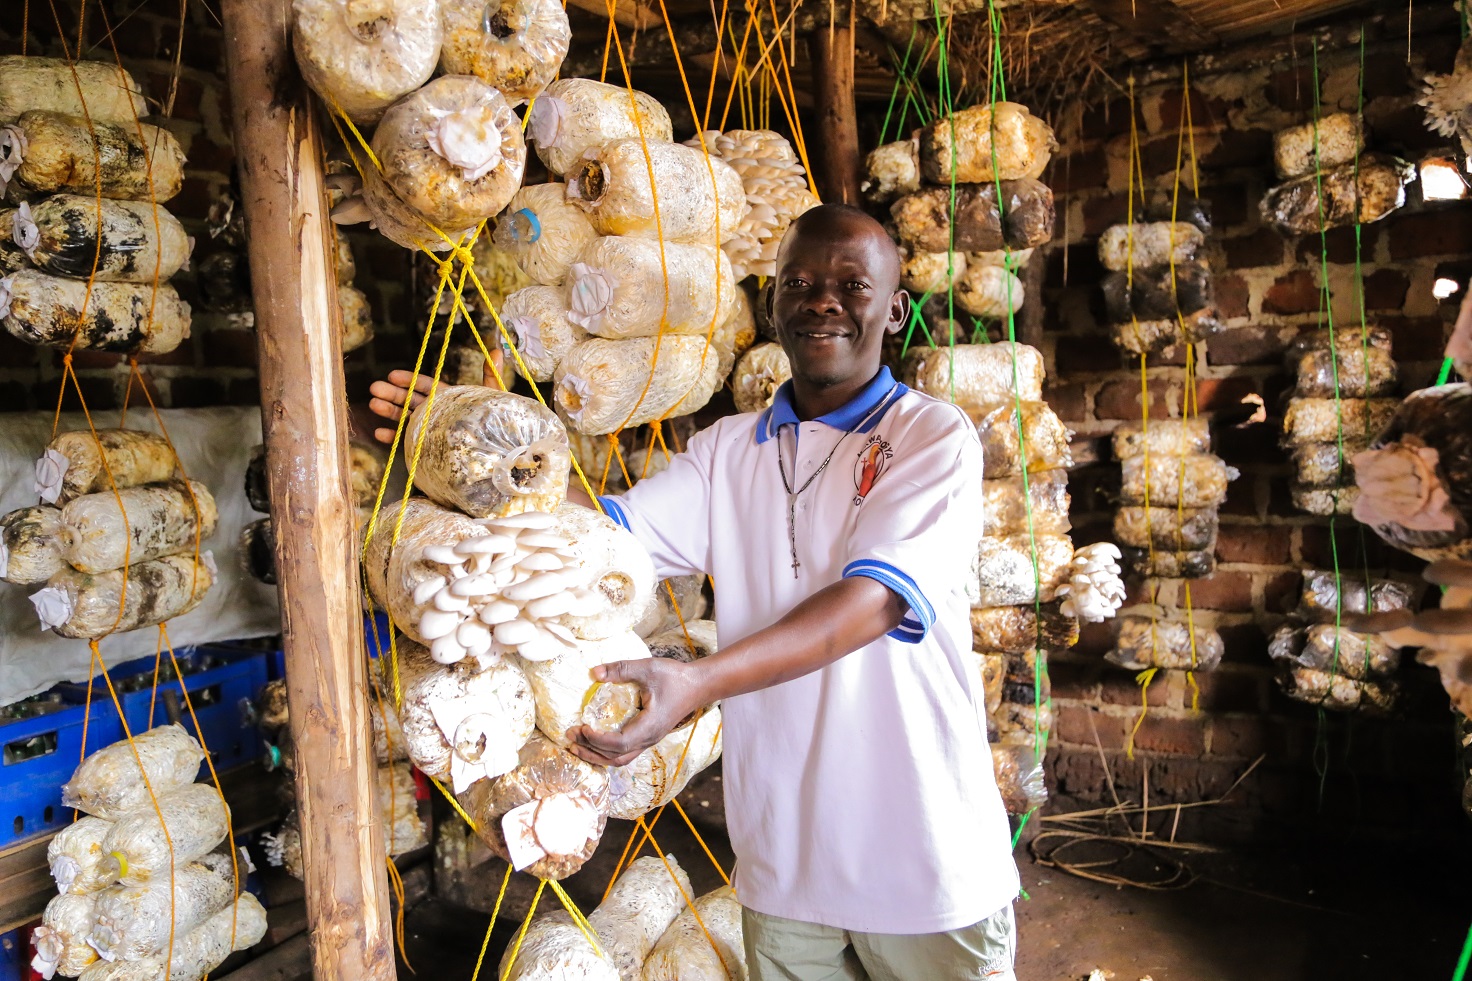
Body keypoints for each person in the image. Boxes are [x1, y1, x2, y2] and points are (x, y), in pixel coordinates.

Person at [370, 204, 1020, 980]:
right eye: (801, 283)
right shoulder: (727, 451)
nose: (823, 300)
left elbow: (871, 603)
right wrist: (478, 448)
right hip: (786, 865)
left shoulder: (930, 436)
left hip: (923, 855)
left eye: (852, 284)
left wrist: (700, 682)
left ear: (895, 307)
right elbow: (606, 533)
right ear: (774, 301)